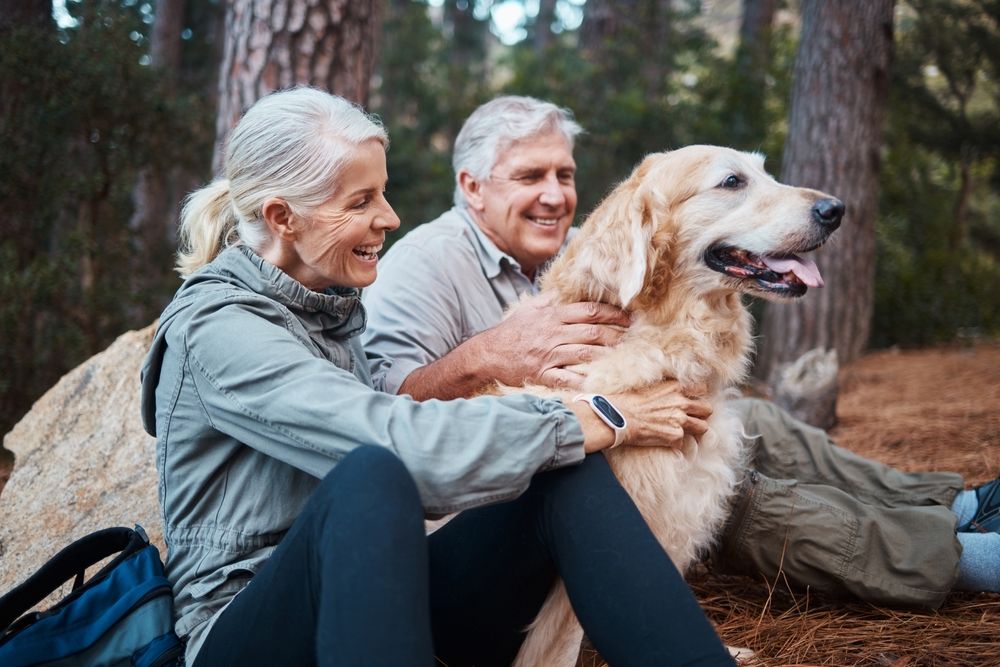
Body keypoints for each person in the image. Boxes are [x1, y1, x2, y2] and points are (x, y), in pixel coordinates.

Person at [139, 87, 736, 667]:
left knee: (563, 469)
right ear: (282, 217)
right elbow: (396, 446)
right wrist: (601, 415)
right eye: (361, 202)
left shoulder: (330, 305)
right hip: (251, 626)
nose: (390, 218)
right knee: (374, 471)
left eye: (383, 194)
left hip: (382, 594)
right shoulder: (217, 329)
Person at [362, 94, 1000, 610]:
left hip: (596, 427)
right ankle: (957, 558)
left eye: (565, 174)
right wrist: (486, 356)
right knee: (735, 489)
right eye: (531, 176)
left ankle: (957, 503)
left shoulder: (596, 244)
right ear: (472, 187)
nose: (555, 194)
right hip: (509, 489)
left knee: (760, 422)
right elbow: (384, 408)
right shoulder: (425, 262)